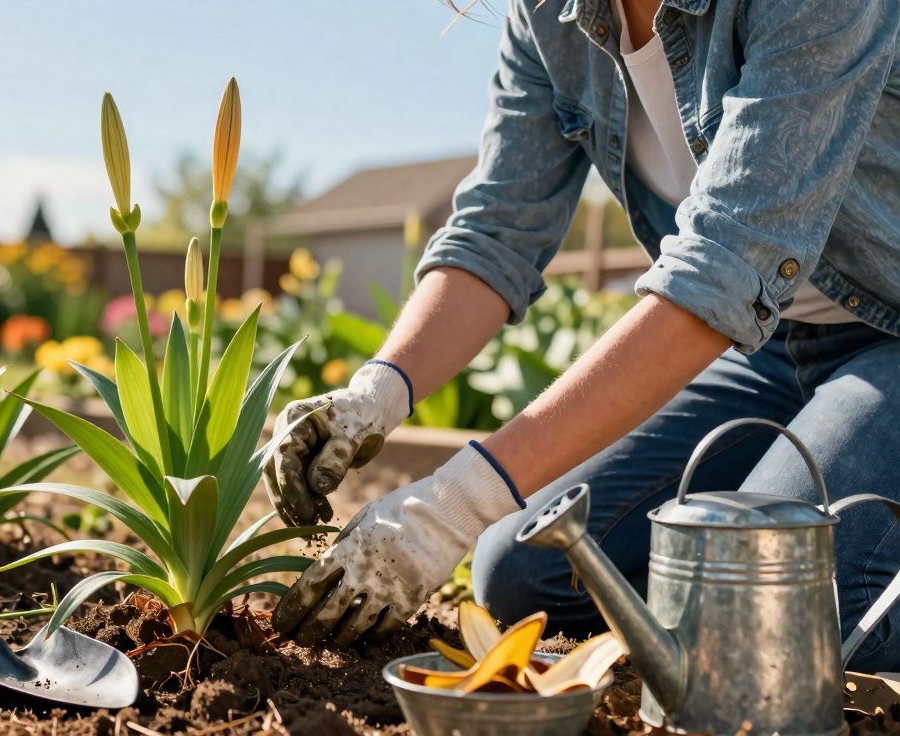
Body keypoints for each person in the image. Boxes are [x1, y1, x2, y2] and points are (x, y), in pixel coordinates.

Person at [265, 0, 900, 673]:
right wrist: (378, 392)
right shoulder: (549, 16)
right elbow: (496, 232)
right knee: (526, 570)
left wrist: (451, 505)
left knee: (777, 600)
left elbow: (727, 263)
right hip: (768, 346)